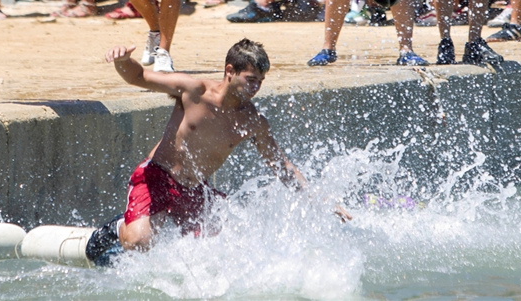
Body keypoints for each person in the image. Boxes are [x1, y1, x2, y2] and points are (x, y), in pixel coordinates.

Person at [84, 39, 350, 260]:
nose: (255, 87)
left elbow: (283, 167)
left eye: (261, 81)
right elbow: (139, 76)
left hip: (196, 189)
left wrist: (323, 201)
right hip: (157, 177)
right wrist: (122, 61)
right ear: (230, 71)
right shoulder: (194, 91)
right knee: (140, 242)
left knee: (223, 253)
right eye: (250, 79)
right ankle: (118, 227)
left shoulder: (253, 121)